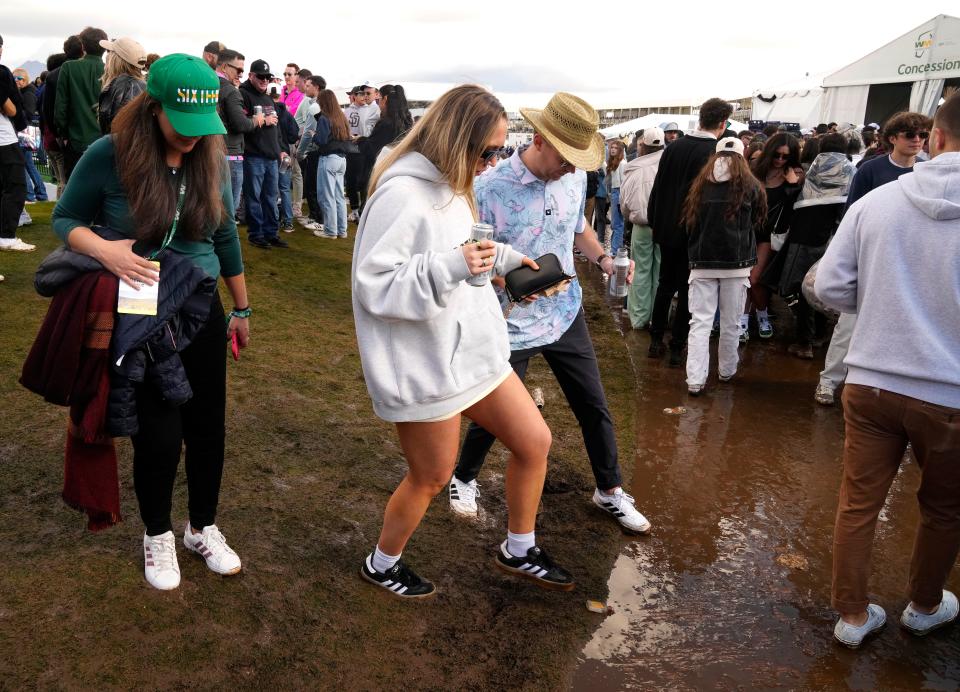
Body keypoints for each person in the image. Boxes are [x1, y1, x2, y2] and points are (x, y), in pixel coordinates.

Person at [352, 84, 571, 598]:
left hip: (475, 351)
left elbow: (465, 249)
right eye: (487, 151)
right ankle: (382, 563)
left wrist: (511, 263)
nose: (494, 161)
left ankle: (519, 547)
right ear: (455, 139)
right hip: (426, 363)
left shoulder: (454, 186)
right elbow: (374, 284)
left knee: (535, 442)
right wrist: (455, 265)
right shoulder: (401, 195)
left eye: (500, 150)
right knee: (432, 476)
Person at [51, 53, 250, 591]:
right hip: (141, 314)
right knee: (159, 432)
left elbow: (225, 236)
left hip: (202, 307)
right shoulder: (109, 154)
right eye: (182, 126)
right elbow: (64, 218)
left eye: (201, 126)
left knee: (209, 426)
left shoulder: (210, 156)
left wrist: (242, 307)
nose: (192, 137)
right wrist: (107, 252)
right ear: (152, 108)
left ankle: (202, 526)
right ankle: (157, 533)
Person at [448, 91, 651, 537]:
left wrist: (600, 261)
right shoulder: (488, 187)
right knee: (499, 412)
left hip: (564, 312)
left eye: (580, 159)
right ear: (539, 139)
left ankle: (610, 489)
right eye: (566, 156)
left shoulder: (574, 180)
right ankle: (462, 479)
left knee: (593, 404)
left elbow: (577, 228)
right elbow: (470, 253)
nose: (573, 167)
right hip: (509, 321)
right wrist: (506, 280)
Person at [815, 92, 960, 649]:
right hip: (950, 393)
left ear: (936, 138)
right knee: (945, 508)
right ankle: (924, 606)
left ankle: (851, 617)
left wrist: (882, 304)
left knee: (858, 501)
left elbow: (830, 286)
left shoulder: (875, 202)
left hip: (872, 379)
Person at [814, 111, 930, 406]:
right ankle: (829, 381)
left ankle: (888, 391)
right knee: (849, 324)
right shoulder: (870, 169)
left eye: (922, 135)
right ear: (893, 138)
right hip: (871, 257)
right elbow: (853, 214)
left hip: (911, 260)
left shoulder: (927, 170)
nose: (917, 140)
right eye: (910, 135)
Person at [647, 97, 733, 366]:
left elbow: (658, 188)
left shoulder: (674, 147)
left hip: (667, 227)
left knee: (664, 285)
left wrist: (655, 221)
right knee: (686, 290)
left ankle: (655, 341)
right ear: (722, 123)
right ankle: (676, 347)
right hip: (693, 231)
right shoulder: (713, 152)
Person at [681, 137, 765, 395]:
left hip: (702, 262)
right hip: (736, 265)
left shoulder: (700, 185)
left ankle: (695, 380)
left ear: (715, 156)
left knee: (700, 323)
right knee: (731, 322)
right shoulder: (751, 186)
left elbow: (689, 223)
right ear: (742, 156)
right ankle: (727, 370)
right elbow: (758, 221)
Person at [767, 133, 853, 359]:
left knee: (800, 290)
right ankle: (821, 335)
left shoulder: (811, 173)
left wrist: (792, 186)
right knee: (824, 288)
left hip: (803, 240)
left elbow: (794, 201)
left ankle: (804, 341)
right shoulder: (851, 174)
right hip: (834, 242)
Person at [743, 132, 802, 342]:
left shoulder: (794, 175)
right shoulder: (756, 171)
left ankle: (760, 316)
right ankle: (749, 316)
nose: (780, 160)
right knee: (746, 280)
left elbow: (799, 209)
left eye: (785, 156)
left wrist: (793, 185)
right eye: (777, 155)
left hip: (771, 236)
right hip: (747, 232)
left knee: (755, 279)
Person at [620, 127, 664, 329]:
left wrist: (629, 217)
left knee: (640, 271)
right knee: (660, 272)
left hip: (642, 225)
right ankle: (658, 316)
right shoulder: (669, 163)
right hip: (665, 226)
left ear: (642, 146)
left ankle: (639, 318)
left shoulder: (635, 167)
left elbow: (625, 203)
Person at [238, 59, 284, 249]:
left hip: (272, 156)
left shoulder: (267, 98)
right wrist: (263, 120)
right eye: (260, 76)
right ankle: (256, 234)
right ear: (251, 76)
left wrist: (281, 149)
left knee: (271, 197)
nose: (265, 80)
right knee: (254, 198)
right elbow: (240, 123)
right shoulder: (243, 94)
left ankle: (271, 233)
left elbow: (277, 128)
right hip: (254, 156)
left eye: (267, 77)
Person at [54, 26, 108, 182]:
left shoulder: (69, 68)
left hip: (76, 140)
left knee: (75, 189)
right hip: (105, 141)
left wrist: (62, 134)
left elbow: (61, 107)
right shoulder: (109, 69)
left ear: (83, 46)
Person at [216, 49, 261, 219]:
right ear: (226, 67)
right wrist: (256, 120)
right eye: (239, 70)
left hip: (211, 151)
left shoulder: (208, 84)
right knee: (228, 209)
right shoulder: (231, 91)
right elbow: (240, 124)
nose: (241, 75)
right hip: (231, 155)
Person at [0, 35, 32, 253]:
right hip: (4, 138)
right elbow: (10, 109)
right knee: (16, 186)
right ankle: (6, 235)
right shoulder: (1, 73)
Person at [42, 35, 82, 197]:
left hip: (62, 137)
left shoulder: (52, 76)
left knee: (65, 179)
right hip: (76, 136)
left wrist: (58, 134)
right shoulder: (83, 72)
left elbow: (48, 110)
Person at [97, 37, 146, 135]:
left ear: (116, 59)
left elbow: (115, 134)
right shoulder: (145, 85)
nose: (107, 56)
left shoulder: (120, 86)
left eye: (110, 52)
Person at [294, 75, 325, 231]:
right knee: (314, 185)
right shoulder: (319, 103)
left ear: (316, 87)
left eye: (308, 86)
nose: (305, 88)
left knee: (312, 185)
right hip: (319, 150)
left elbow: (308, 131)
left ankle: (317, 217)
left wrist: (300, 152)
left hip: (314, 150)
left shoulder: (316, 105)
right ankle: (315, 215)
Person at [13, 68, 48, 204]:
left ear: (25, 79)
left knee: (24, 164)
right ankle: (40, 193)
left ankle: (30, 194)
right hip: (27, 131)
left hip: (25, 131)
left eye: (19, 78)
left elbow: (28, 113)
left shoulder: (28, 93)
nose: (17, 81)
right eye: (14, 78)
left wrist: (14, 113)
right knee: (29, 164)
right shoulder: (27, 91)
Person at [268, 83, 298, 233]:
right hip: (285, 154)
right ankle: (287, 221)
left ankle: (275, 221)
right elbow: (294, 135)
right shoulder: (286, 113)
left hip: (272, 155)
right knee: (284, 189)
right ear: (279, 95)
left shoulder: (268, 112)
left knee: (272, 190)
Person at [606, 139, 627, 254]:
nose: (612, 149)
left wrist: (621, 199)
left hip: (619, 193)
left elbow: (624, 182)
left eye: (615, 148)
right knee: (616, 223)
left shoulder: (622, 163)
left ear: (620, 150)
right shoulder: (614, 162)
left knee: (617, 224)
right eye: (611, 147)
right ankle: (615, 248)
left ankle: (615, 250)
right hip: (615, 192)